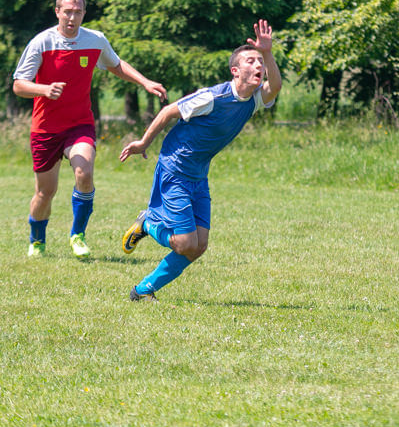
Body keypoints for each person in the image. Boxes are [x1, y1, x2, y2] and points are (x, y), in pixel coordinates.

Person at [119, 19, 281, 302]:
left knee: (198, 246)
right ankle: (147, 224)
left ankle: (142, 291)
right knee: (184, 242)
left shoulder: (253, 99)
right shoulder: (212, 98)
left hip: (198, 175)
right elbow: (169, 111)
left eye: (260, 62)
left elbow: (275, 86)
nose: (258, 66)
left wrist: (267, 52)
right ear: (235, 71)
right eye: (251, 61)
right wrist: (144, 142)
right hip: (175, 168)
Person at [12, 0, 167, 259]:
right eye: (67, 11)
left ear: (84, 14)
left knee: (84, 174)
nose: (72, 17)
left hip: (79, 124)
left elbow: (116, 65)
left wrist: (145, 82)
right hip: (46, 129)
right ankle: (37, 239)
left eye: (78, 12)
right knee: (45, 192)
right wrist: (44, 89)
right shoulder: (42, 42)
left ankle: (77, 235)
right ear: (57, 11)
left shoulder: (95, 40)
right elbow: (18, 85)